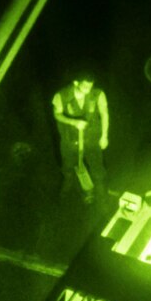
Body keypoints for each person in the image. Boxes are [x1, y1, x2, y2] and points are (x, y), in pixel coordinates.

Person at [51, 70, 110, 205]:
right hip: (69, 139)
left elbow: (104, 113)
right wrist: (74, 122)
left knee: (97, 167)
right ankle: (66, 190)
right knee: (68, 167)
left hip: (92, 137)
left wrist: (104, 136)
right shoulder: (62, 95)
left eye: (90, 86)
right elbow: (57, 114)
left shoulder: (98, 94)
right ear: (76, 83)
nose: (88, 90)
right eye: (84, 86)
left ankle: (101, 195)